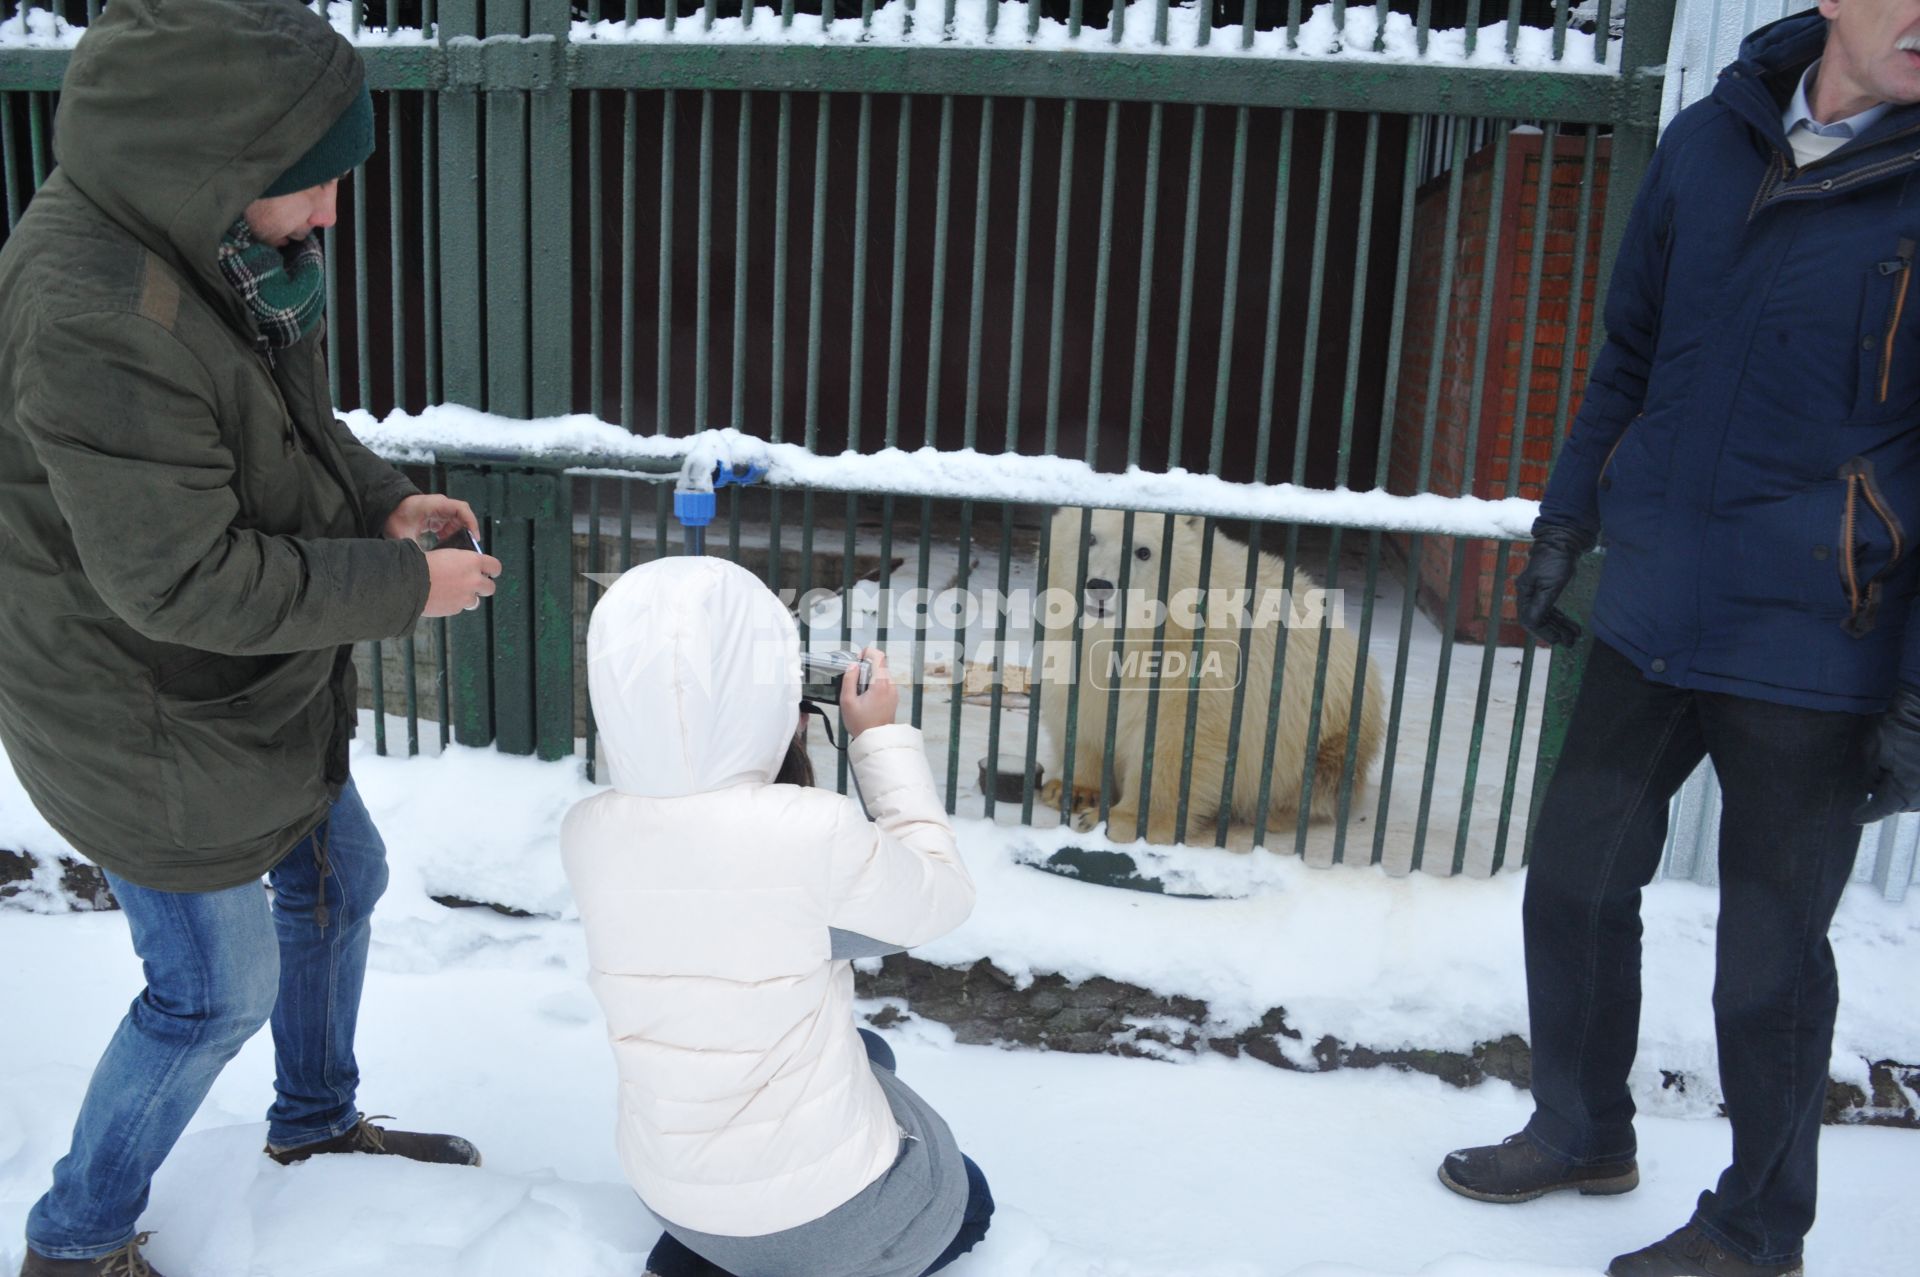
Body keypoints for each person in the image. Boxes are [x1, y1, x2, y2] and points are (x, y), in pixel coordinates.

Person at [0, 2, 505, 1273]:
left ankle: (314, 1122)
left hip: (232, 696)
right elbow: (183, 581)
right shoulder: (95, 315)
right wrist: (403, 586)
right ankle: (74, 1238)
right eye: (314, 183)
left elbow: (279, 425)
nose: (333, 210)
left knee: (341, 881)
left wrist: (380, 493)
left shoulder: (207, 245)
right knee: (209, 993)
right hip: (144, 716)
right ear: (215, 167)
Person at [1437, 4, 1920, 1276]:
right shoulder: (1712, 137)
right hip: (1651, 605)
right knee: (1577, 883)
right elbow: (1628, 353)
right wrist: (1565, 524)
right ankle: (1583, 1126)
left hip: (1820, 636)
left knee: (1768, 957)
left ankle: (1761, 1230)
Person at [562, 557, 995, 1277]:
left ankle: (722, 1252)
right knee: (968, 1194)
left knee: (863, 1052)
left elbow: (734, 885)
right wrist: (875, 738)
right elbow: (940, 898)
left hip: (675, 1199)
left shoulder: (588, 830)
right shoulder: (808, 832)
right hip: (842, 1219)